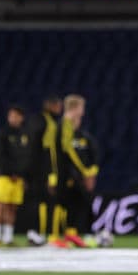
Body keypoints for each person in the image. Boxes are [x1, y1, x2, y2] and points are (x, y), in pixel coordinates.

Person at [57, 100, 100, 247]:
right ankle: (63, 236)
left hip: (81, 177)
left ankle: (82, 234)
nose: (82, 112)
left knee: (84, 204)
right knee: (66, 207)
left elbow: (95, 156)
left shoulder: (84, 137)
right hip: (67, 176)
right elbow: (65, 153)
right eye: (81, 108)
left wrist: (91, 173)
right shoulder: (61, 128)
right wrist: (83, 171)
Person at [24, 95, 63, 246]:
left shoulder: (49, 121)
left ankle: (39, 234)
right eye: (57, 105)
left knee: (44, 201)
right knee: (39, 201)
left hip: (42, 168)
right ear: (50, 105)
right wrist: (48, 173)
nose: (59, 108)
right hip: (39, 170)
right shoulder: (43, 122)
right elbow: (43, 149)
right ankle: (35, 233)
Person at [0, 105, 33, 246]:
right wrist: (10, 172)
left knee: (12, 207)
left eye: (16, 116)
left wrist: (22, 175)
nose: (13, 118)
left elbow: (27, 157)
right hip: (4, 176)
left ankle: (8, 237)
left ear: (21, 117)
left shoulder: (24, 135)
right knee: (1, 205)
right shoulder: (3, 134)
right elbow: (0, 155)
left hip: (19, 178)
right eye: (11, 115)